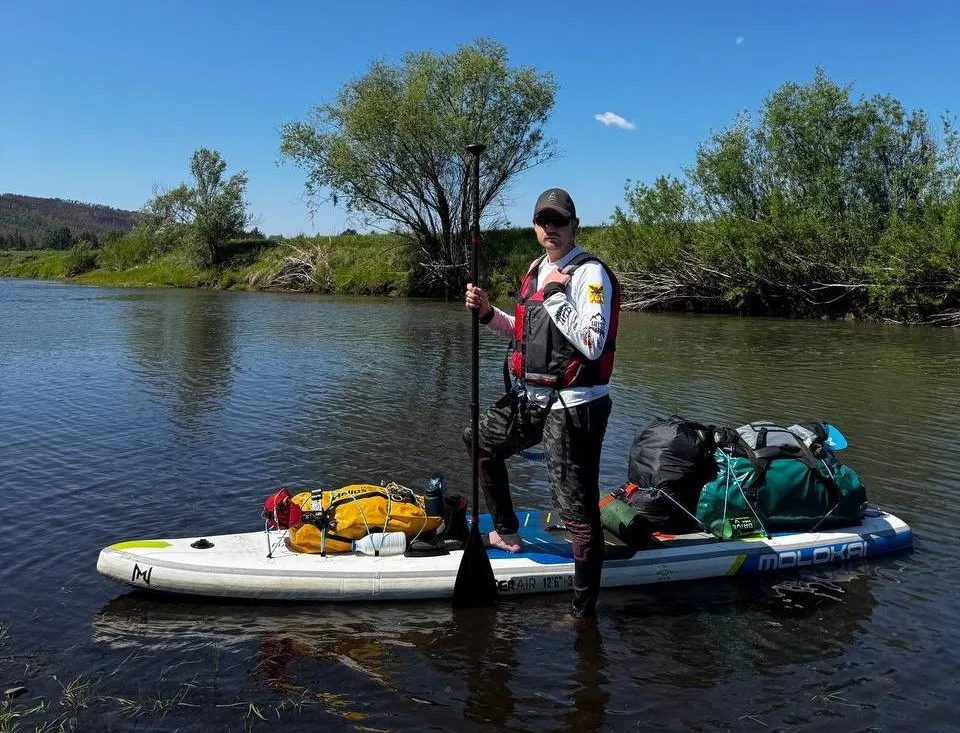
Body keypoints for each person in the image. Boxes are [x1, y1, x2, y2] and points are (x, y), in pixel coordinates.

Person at [464, 188, 621, 619]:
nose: (550, 228)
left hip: (575, 406)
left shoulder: (590, 275)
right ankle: (508, 534)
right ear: (535, 226)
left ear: (574, 225)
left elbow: (591, 343)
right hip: (532, 398)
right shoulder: (536, 269)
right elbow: (524, 333)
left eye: (559, 221)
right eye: (543, 221)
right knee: (479, 440)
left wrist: (555, 296)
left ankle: (581, 613)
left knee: (577, 511)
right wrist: (486, 314)